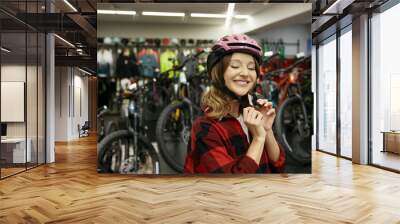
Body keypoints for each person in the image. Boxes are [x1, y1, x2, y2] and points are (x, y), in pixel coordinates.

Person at [184, 34, 285, 174]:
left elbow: (278, 164)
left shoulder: (252, 114)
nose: (245, 73)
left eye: (251, 68)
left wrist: (267, 131)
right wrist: (258, 138)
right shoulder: (206, 127)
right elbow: (232, 183)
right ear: (219, 73)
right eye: (235, 66)